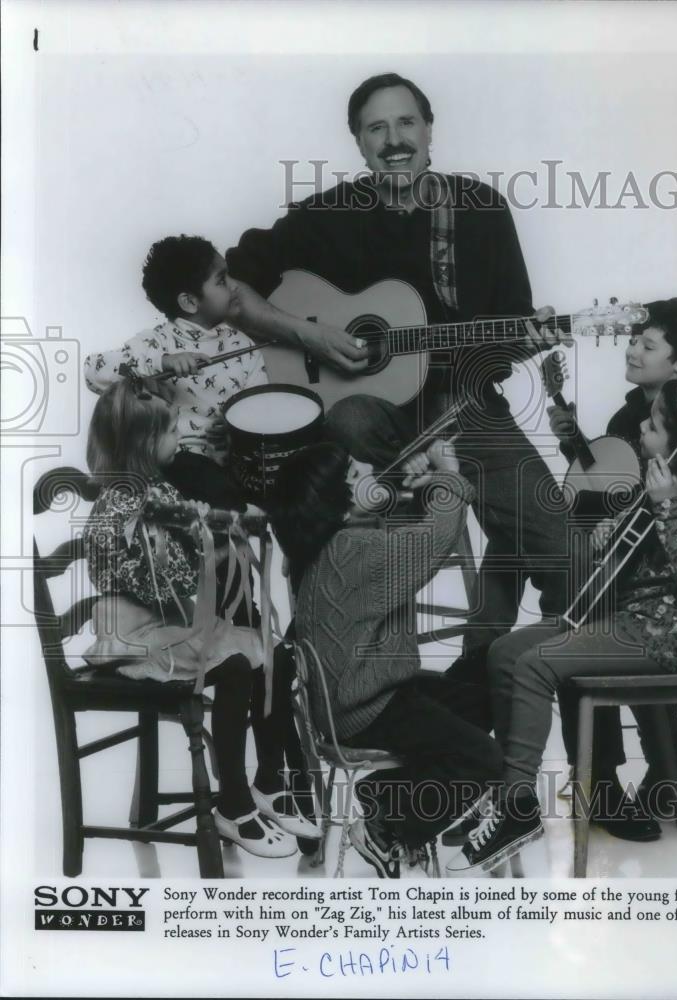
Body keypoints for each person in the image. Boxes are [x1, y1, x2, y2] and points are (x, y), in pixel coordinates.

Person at [227, 72, 572, 659]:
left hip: (463, 405)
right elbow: (228, 290)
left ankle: (476, 681)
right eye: (376, 127)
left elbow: (510, 325)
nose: (394, 140)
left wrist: (525, 338)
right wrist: (308, 335)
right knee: (352, 417)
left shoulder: (480, 210)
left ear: (430, 129)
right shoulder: (325, 215)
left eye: (406, 122)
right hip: (368, 421)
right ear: (358, 142)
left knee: (569, 554)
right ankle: (447, 492)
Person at [446, 374, 677, 873]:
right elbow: (629, 560)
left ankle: (516, 806)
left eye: (655, 424)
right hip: (624, 621)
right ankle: (505, 790)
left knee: (535, 665)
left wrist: (665, 505)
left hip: (664, 639)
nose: (642, 427)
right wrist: (605, 531)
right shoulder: (662, 478)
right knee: (505, 651)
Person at [82, 377, 319, 856]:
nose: (181, 440)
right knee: (233, 666)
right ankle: (231, 803)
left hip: (169, 624)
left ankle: (268, 781)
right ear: (146, 444)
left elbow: (193, 527)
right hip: (134, 632)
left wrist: (219, 523)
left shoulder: (155, 490)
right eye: (172, 432)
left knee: (271, 652)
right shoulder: (120, 506)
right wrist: (202, 541)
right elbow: (163, 586)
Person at [269, 438, 504, 878]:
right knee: (484, 759)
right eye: (357, 474)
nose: (370, 464)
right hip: (368, 709)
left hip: (367, 695)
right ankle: (386, 826)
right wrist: (448, 472)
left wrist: (427, 486)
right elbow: (433, 544)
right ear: (339, 509)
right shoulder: (353, 551)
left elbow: (402, 546)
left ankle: (387, 791)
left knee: (494, 670)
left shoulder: (335, 545)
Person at [550, 298, 677, 833]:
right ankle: (605, 782)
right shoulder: (627, 417)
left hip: (662, 580)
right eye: (633, 339)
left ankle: (655, 779)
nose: (632, 349)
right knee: (569, 602)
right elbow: (609, 488)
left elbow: (675, 512)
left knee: (573, 616)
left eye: (649, 344)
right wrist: (570, 441)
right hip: (622, 568)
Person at [84, 234, 267, 509]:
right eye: (221, 280)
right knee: (197, 474)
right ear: (190, 302)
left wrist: (233, 433)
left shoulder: (243, 345)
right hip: (178, 463)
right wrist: (162, 363)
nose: (234, 287)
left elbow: (259, 410)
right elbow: (93, 371)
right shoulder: (157, 343)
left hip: (234, 463)